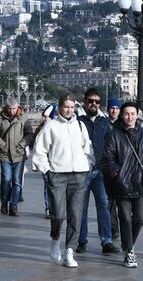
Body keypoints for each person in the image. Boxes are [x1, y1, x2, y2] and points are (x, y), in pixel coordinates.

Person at [32, 93, 94, 268]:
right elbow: (40, 151)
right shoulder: (50, 126)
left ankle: (69, 251)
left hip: (79, 174)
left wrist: (88, 164)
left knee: (75, 214)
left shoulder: (80, 125)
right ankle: (55, 239)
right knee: (58, 214)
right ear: (59, 107)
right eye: (66, 106)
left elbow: (87, 147)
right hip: (57, 174)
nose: (69, 110)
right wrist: (48, 171)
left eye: (72, 106)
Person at [101, 101, 143, 268]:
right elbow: (107, 158)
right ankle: (129, 251)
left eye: (133, 113)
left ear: (137, 115)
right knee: (125, 218)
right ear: (122, 115)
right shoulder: (114, 135)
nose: (130, 117)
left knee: (140, 218)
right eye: (126, 113)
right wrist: (116, 172)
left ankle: (129, 244)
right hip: (122, 184)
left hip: (140, 183)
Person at [76, 88, 119, 254]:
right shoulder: (77, 122)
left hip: (101, 172)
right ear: (85, 101)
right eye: (91, 101)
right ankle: (82, 240)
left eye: (97, 102)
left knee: (104, 205)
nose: (94, 104)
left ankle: (106, 240)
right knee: (82, 207)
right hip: (82, 170)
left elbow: (112, 146)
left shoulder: (104, 122)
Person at [0, 97, 33, 217]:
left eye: (13, 108)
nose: (11, 111)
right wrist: (1, 144)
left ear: (17, 107)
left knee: (17, 181)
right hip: (4, 154)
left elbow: (29, 133)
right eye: (9, 108)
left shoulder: (23, 117)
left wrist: (22, 145)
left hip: (19, 154)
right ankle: (4, 201)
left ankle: (13, 205)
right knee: (6, 179)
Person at [31, 104, 58, 219]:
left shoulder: (58, 128)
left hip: (58, 163)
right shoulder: (41, 129)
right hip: (46, 164)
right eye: (43, 116)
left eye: (45, 117)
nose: (43, 119)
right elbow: (37, 148)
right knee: (48, 186)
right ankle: (48, 208)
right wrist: (35, 164)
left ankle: (57, 207)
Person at [106, 98, 122, 239]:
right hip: (109, 170)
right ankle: (113, 228)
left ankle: (124, 225)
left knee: (123, 201)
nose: (114, 110)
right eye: (112, 108)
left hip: (123, 169)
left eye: (117, 108)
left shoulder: (123, 125)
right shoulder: (103, 124)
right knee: (110, 202)